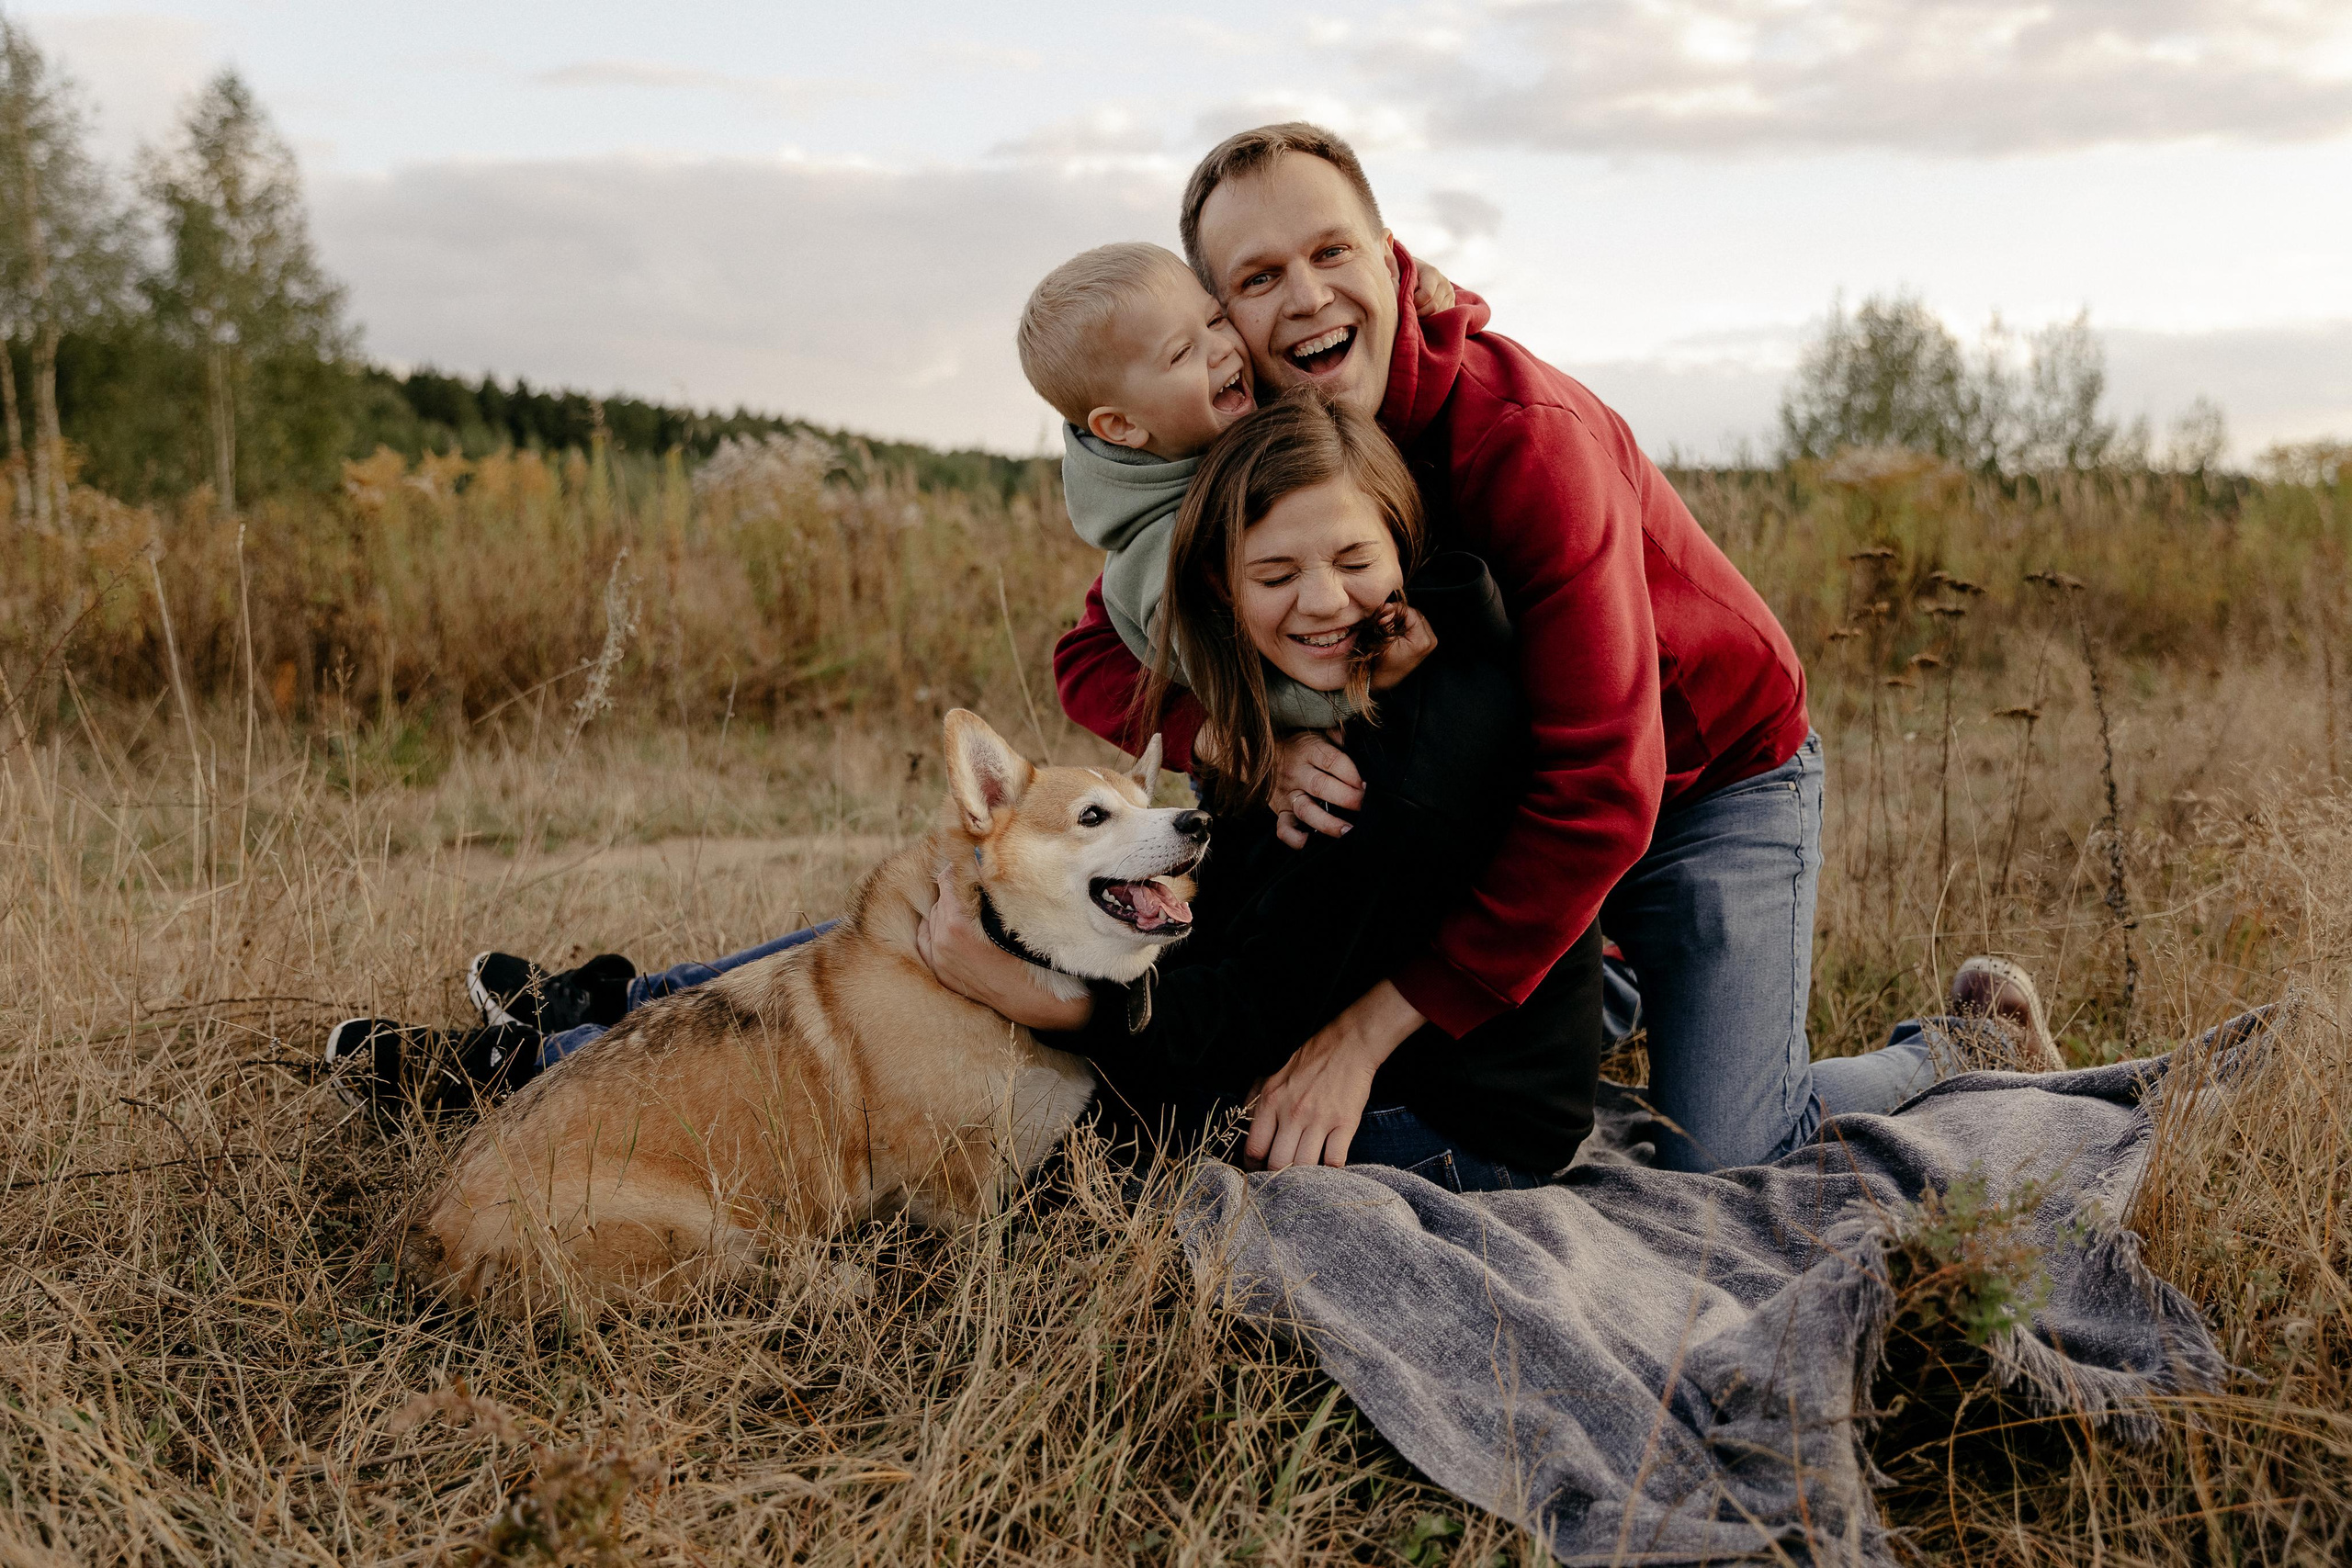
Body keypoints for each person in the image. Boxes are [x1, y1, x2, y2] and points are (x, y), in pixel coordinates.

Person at [1049, 122, 2060, 1173]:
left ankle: (1958, 1045)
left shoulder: (1525, 437)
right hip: (1510, 788)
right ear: (1223, 322)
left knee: (1731, 1152)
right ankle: (1590, 981)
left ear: (1390, 256)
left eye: (1330, 252)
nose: (1305, 297)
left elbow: (1604, 796)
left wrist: (1363, 1037)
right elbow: (1094, 647)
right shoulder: (1265, 449)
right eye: (1259, 278)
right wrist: (1232, 736)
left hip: (1702, 780)